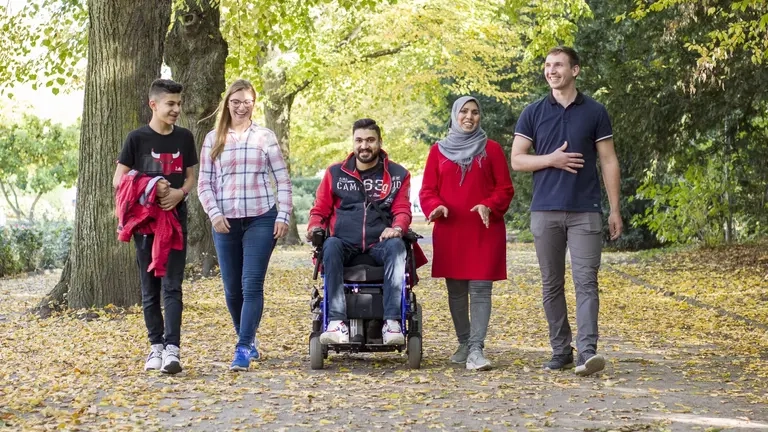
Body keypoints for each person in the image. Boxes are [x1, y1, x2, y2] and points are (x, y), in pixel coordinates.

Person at [510, 46, 623, 376]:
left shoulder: (595, 111)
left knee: (587, 282)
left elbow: (608, 160)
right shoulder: (533, 112)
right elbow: (517, 159)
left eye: (558, 65)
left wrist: (614, 209)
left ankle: (587, 352)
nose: (551, 70)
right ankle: (561, 350)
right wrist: (551, 160)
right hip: (544, 211)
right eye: (547, 65)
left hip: (586, 210)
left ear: (575, 70)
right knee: (551, 285)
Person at [197, 79, 293, 372]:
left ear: (254, 104)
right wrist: (214, 214)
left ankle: (243, 346)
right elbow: (204, 183)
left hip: (261, 218)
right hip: (225, 222)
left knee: (251, 284)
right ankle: (248, 340)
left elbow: (283, 180)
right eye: (236, 101)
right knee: (232, 289)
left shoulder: (265, 137)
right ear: (227, 103)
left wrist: (283, 215)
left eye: (247, 101)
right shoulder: (214, 138)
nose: (241, 107)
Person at [419, 96, 515, 371]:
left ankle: (476, 348)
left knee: (481, 290)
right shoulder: (437, 151)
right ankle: (463, 342)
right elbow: (427, 190)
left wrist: (489, 204)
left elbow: (505, 188)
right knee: (457, 291)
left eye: (475, 112)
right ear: (454, 115)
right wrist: (435, 207)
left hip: (485, 229)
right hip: (451, 230)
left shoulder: (492, 149)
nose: (469, 117)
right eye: (464, 112)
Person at [112, 78, 199, 374]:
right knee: (150, 288)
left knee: (173, 286)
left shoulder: (185, 138)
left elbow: (190, 178)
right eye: (170, 104)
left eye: (179, 104)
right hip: (145, 224)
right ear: (154, 104)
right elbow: (119, 180)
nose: (176, 109)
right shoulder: (136, 139)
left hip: (175, 220)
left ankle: (173, 350)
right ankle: (155, 348)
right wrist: (150, 185)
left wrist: (179, 194)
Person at [307, 118, 412, 346]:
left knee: (397, 246)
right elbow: (320, 209)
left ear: (379, 142)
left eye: (370, 140)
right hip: (345, 242)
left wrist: (397, 228)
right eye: (359, 140)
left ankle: (392, 322)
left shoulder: (397, 175)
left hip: (380, 243)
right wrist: (314, 227)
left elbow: (402, 209)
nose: (364, 145)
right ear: (353, 143)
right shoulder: (335, 173)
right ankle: (336, 323)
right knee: (330, 245)